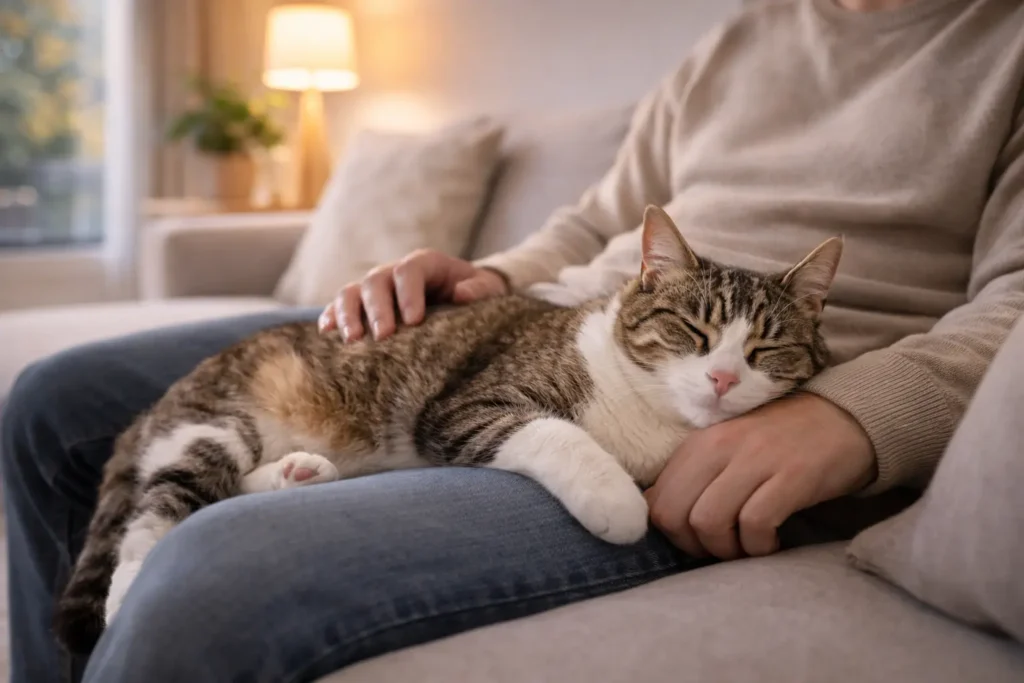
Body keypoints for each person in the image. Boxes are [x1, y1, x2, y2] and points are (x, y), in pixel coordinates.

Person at [3, 0, 1023, 680]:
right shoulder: (746, 36)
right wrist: (490, 274)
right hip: (548, 322)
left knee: (210, 575)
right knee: (50, 403)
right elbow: (598, 220)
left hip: (744, 406)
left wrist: (850, 413)